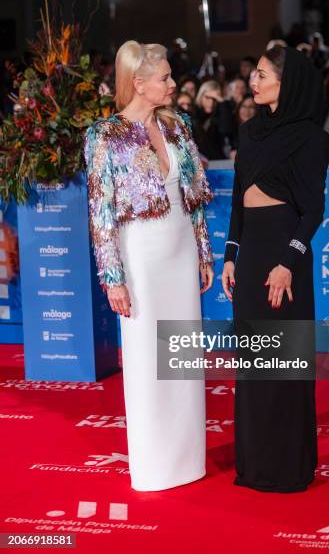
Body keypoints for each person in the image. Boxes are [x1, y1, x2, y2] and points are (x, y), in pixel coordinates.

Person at [84, 40, 214, 491]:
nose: (173, 83)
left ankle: (187, 459)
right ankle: (155, 466)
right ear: (138, 84)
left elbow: (194, 199)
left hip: (180, 252)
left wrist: (203, 252)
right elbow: (100, 213)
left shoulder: (178, 126)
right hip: (140, 257)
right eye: (165, 78)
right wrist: (113, 277)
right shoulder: (105, 135)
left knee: (180, 357)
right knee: (145, 359)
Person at [222, 45, 329, 493]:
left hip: (286, 253)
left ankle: (286, 468)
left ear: (287, 84)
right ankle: (253, 465)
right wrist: (230, 255)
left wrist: (288, 262)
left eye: (263, 74)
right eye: (255, 73)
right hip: (250, 257)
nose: (254, 80)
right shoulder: (249, 132)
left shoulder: (311, 138)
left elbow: (313, 212)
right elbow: (237, 201)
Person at [194, 80, 234, 159]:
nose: (211, 102)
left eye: (215, 99)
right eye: (208, 97)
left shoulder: (221, 114)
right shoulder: (193, 113)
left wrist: (222, 101)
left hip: (217, 161)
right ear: (201, 96)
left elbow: (227, 129)